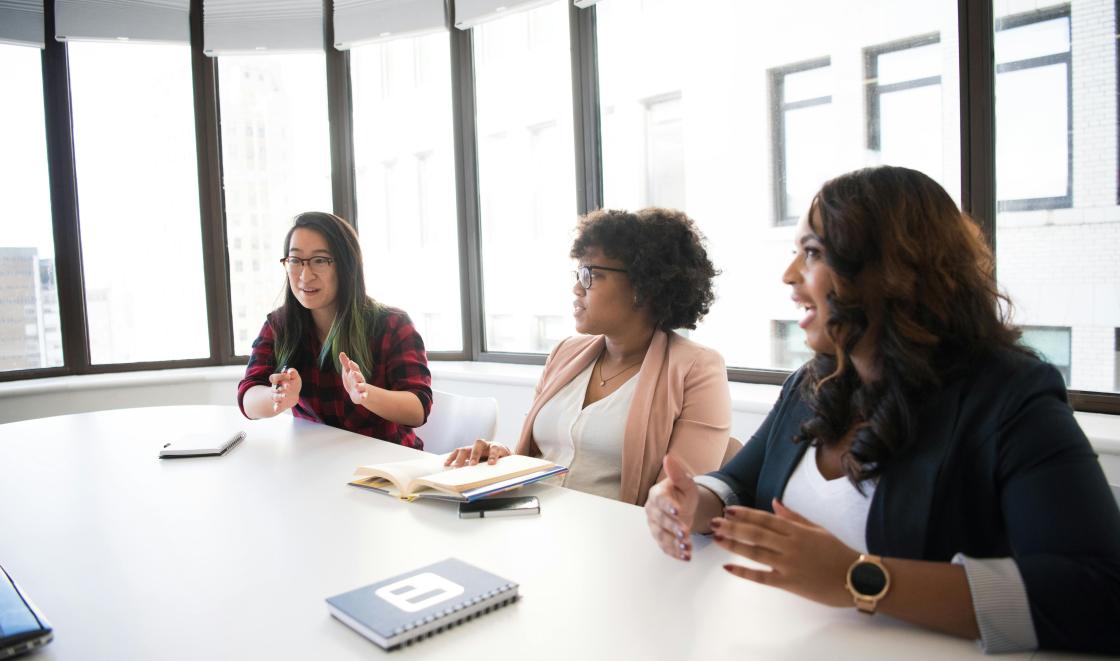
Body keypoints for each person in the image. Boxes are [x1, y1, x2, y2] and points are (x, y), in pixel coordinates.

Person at [645, 166, 1120, 654]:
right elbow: (741, 485)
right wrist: (690, 502)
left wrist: (860, 578)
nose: (789, 275)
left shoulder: (1010, 396)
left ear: (892, 269)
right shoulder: (813, 381)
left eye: (812, 253)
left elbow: (1099, 590)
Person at [446, 208, 731, 506]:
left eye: (591, 275)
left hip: (614, 540)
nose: (577, 288)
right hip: (528, 522)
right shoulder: (565, 353)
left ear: (644, 288)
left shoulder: (697, 369)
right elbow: (540, 456)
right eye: (578, 273)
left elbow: (677, 501)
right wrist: (500, 458)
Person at [237, 211, 432, 447]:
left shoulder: (392, 324)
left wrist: (365, 394)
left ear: (346, 266)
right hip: (317, 462)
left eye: (320, 260)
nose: (305, 276)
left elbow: (418, 409)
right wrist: (277, 396)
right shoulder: (279, 326)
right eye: (295, 260)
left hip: (385, 468)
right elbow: (248, 397)